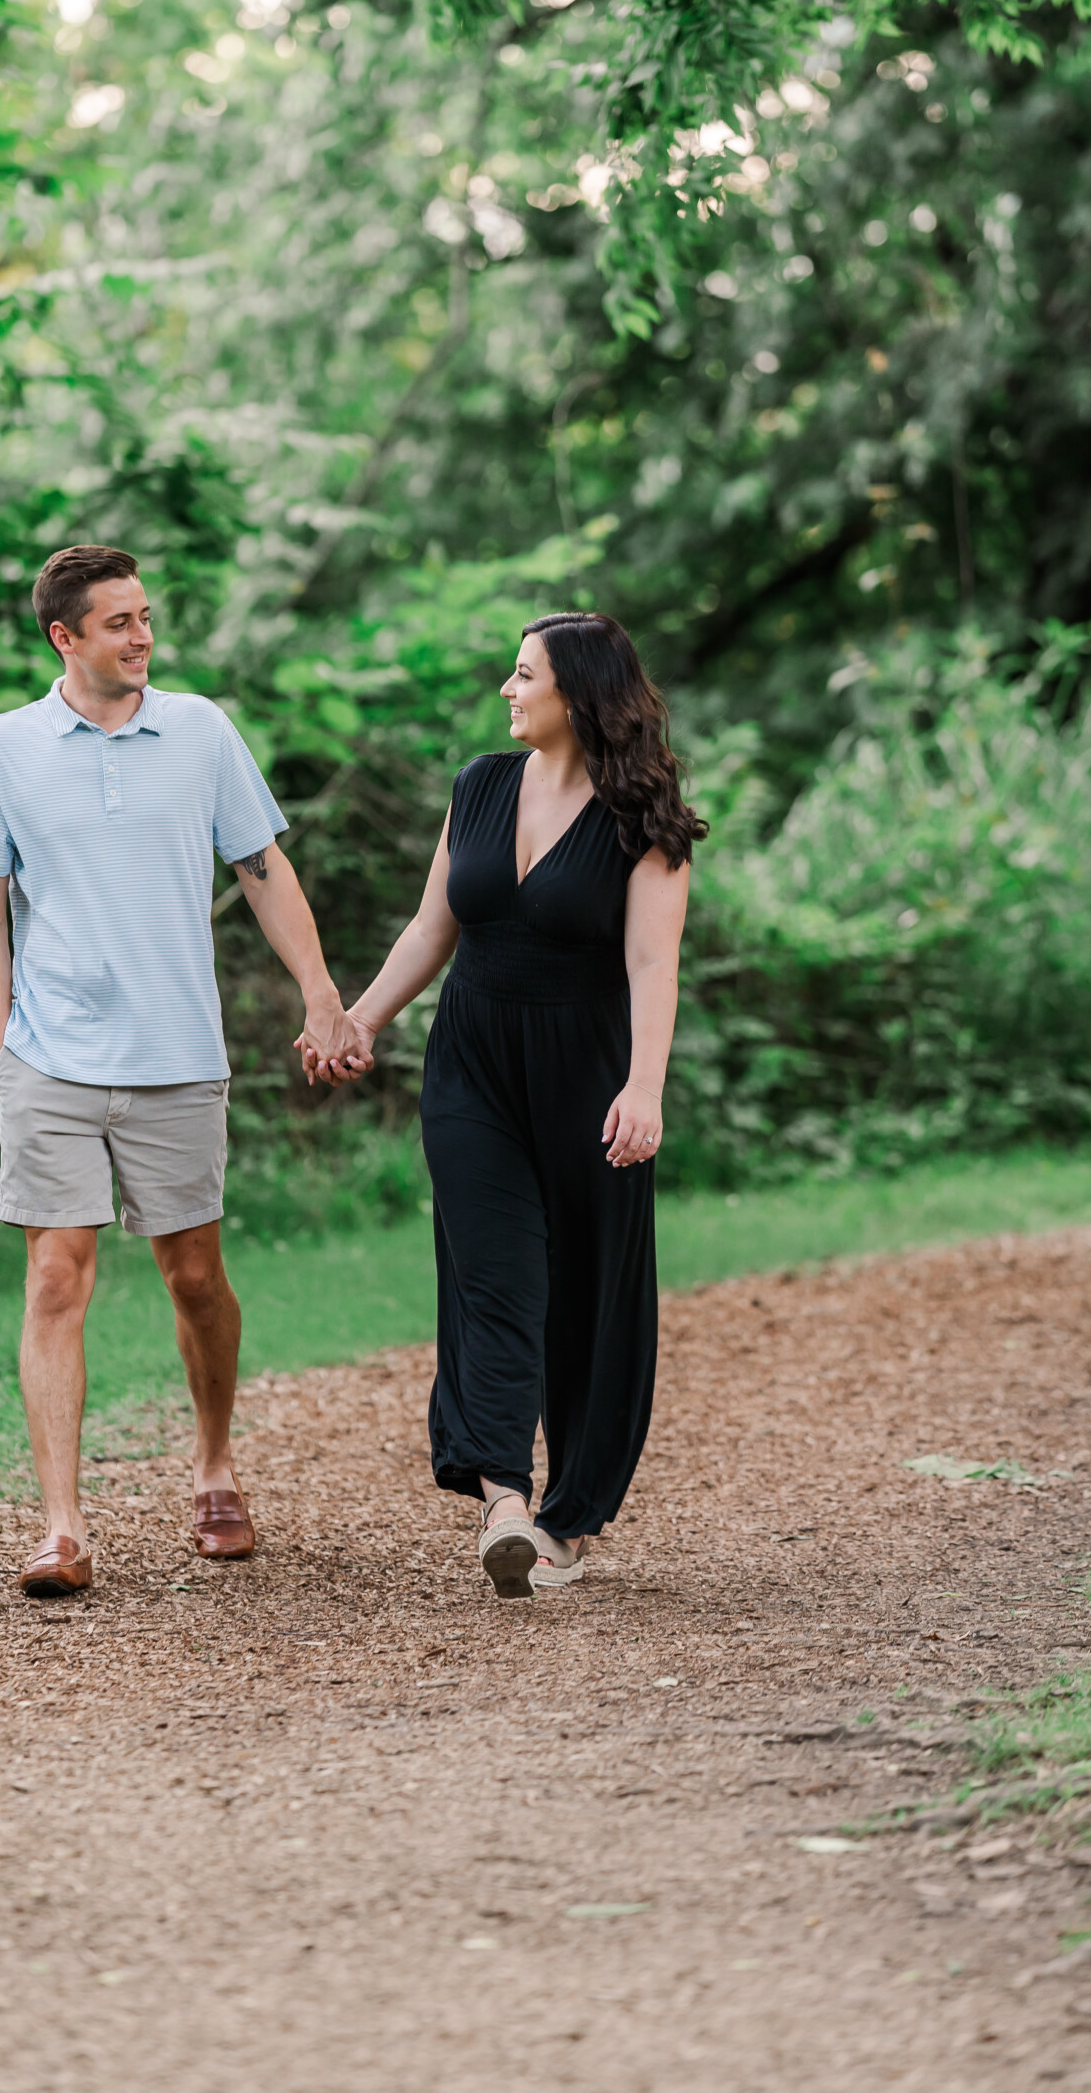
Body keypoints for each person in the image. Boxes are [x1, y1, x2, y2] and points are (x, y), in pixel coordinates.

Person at [0, 543, 368, 1594]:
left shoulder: (203, 730)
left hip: (179, 1053)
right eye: (120, 621)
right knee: (54, 1273)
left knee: (193, 1277)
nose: (143, 635)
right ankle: (61, 1526)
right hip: (51, 1054)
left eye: (146, 617)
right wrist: (3, 1048)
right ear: (65, 637)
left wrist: (321, 990)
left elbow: (263, 870)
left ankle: (216, 1464)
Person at [313, 612, 703, 1598]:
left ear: (577, 692)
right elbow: (431, 924)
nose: (505, 688)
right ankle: (504, 1500)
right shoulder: (480, 786)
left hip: (589, 1075)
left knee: (583, 1295)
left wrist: (645, 1085)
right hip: (474, 1066)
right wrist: (360, 1019)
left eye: (522, 674)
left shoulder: (641, 815)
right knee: (494, 1276)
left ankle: (571, 1512)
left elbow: (654, 961)